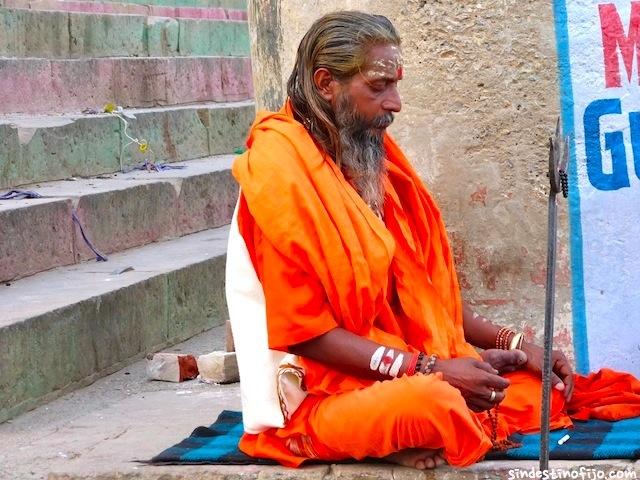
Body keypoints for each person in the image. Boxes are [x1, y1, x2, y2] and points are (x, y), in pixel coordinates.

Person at [227, 11, 640, 470]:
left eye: (396, 84)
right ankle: (397, 429)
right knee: (433, 405)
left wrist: (518, 344)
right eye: (379, 86)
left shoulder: (371, 164)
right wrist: (431, 369)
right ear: (326, 84)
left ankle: (412, 429)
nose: (396, 103)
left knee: (529, 392)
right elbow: (309, 336)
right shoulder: (278, 179)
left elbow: (424, 298)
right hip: (314, 395)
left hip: (398, 370)